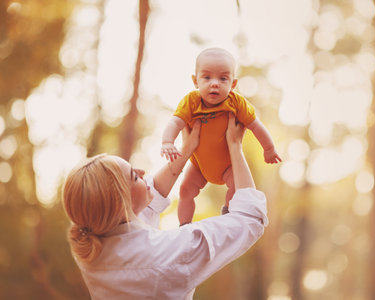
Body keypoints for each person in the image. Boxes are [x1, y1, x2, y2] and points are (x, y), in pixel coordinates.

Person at [63, 114, 268, 300]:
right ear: (121, 204)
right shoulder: (171, 252)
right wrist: (234, 147)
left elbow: (147, 200)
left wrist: (187, 150)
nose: (143, 172)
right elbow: (250, 218)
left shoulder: (91, 247)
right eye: (134, 176)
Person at [161, 47, 281, 225]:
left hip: (228, 166)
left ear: (233, 84)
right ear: (196, 81)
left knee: (236, 187)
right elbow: (175, 122)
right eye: (207, 77)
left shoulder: (237, 103)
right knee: (186, 189)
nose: (214, 83)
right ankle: (184, 225)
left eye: (223, 78)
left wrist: (269, 149)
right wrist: (167, 141)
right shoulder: (191, 102)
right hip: (198, 165)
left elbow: (256, 126)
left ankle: (227, 215)